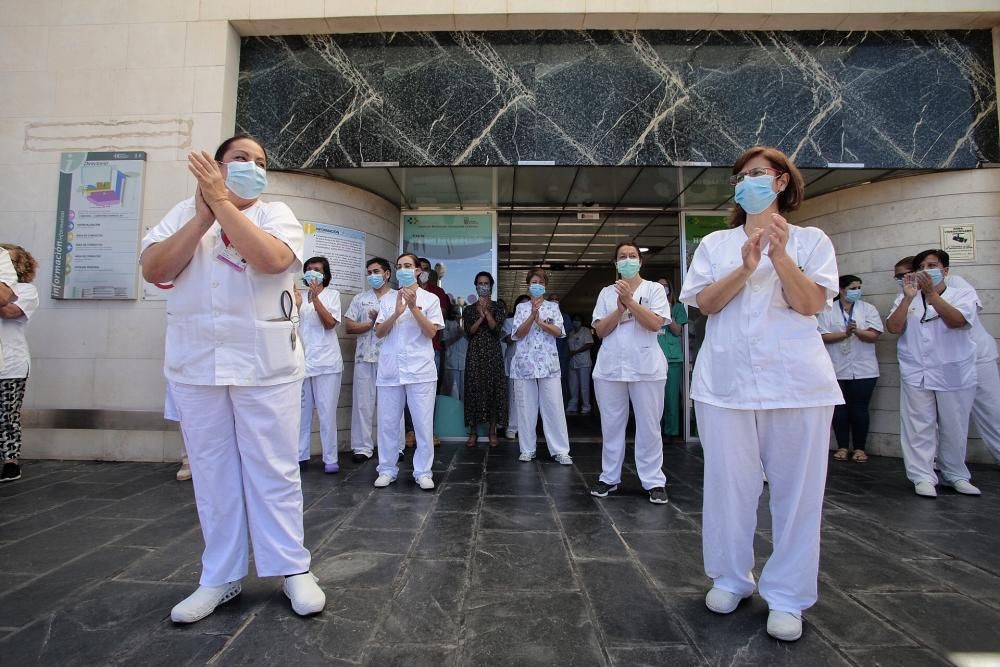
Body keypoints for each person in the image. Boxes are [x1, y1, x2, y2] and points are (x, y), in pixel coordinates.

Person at [140, 135, 325, 623]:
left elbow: (273, 261)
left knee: (274, 468)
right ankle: (219, 576)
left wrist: (222, 205)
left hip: (264, 363)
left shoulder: (275, 214)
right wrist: (203, 215)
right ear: (216, 166)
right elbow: (155, 268)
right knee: (211, 471)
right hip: (197, 363)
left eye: (261, 161)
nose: (252, 167)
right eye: (241, 159)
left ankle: (292, 568)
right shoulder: (181, 214)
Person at [678, 146, 843, 642]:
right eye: (739, 177)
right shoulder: (715, 244)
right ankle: (731, 578)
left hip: (796, 383)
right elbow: (705, 304)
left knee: (797, 495)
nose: (745, 183)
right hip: (725, 383)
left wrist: (779, 256)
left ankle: (788, 596)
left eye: (756, 174)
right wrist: (747, 266)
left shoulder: (812, 240)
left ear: (781, 182)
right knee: (729, 487)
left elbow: (810, 302)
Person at [886, 249, 981, 497]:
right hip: (916, 370)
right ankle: (922, 476)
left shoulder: (963, 294)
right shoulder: (907, 298)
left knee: (954, 426)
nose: (927, 270)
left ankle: (955, 474)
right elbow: (894, 327)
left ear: (945, 270)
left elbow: (958, 321)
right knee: (918, 426)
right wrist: (908, 299)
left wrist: (930, 294)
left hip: (953, 371)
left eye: (932, 265)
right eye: (922, 266)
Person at [589, 243, 671, 504]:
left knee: (649, 427)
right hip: (611, 369)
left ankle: (654, 481)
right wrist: (620, 308)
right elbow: (601, 331)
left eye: (632, 256)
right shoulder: (605, 293)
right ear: (615, 263)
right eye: (622, 257)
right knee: (611, 426)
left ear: (640, 261)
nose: (628, 260)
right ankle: (609, 478)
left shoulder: (654, 289)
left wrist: (629, 302)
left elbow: (655, 323)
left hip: (647, 368)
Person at [373, 253, 444, 490]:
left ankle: (423, 471)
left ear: (417, 271)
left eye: (408, 266)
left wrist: (413, 308)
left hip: (420, 369)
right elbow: (379, 332)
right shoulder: (387, 299)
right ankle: (387, 469)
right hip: (391, 369)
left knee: (423, 424)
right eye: (400, 266)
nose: (404, 269)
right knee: (388, 423)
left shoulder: (430, 299)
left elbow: (431, 332)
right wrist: (396, 312)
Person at [509, 269, 573, 465]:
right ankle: (527, 449)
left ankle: (560, 450)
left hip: (548, 363)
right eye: (533, 281)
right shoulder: (521, 308)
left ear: (544, 285)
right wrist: (531, 317)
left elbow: (559, 331)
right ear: (528, 284)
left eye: (540, 281)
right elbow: (518, 334)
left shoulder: (553, 307)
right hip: (524, 364)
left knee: (553, 406)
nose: (536, 284)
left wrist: (541, 322)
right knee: (525, 407)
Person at [817, 275, 883, 463]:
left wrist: (857, 331)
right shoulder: (827, 310)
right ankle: (843, 446)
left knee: (860, 409)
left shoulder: (867, 309)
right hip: (836, 366)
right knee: (840, 410)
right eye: (853, 287)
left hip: (864, 368)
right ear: (841, 289)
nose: (857, 291)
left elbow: (874, 334)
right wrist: (844, 334)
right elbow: (822, 336)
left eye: (859, 287)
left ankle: (860, 448)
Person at [295, 256, 343, 474]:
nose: (312, 273)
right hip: (302, 363)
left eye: (316, 269)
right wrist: (297, 305)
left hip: (327, 364)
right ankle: (300, 455)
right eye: (309, 269)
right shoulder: (299, 296)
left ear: (324, 274)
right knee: (301, 413)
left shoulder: (332, 295)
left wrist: (316, 300)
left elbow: (330, 324)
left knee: (326, 413)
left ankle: (330, 458)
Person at [344, 258, 394, 463]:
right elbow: (349, 327)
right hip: (364, 357)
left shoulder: (397, 298)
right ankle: (362, 447)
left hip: (389, 359)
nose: (372, 276)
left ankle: (394, 447)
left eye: (376, 271)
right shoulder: (360, 299)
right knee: (362, 404)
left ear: (387, 274)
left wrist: (381, 323)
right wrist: (372, 324)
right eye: (369, 272)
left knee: (391, 405)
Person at [0, 245, 37, 483]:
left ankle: (10, 462)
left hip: (10, 364)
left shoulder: (27, 290)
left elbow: (10, 311)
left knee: (7, 415)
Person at [463, 272, 507, 447]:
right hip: (475, 353)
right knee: (473, 389)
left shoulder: (498, 307)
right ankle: (472, 432)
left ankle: (492, 432)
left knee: (493, 390)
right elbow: (469, 332)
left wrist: (487, 313)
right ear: (476, 286)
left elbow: (496, 330)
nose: (483, 286)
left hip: (493, 354)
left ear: (491, 286)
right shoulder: (468, 309)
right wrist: (480, 316)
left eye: (486, 283)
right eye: (480, 283)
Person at [656, 277, 688, 437]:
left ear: (670, 289)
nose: (663, 289)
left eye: (665, 286)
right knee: (654, 398)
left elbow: (677, 331)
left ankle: (671, 431)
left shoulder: (677, 308)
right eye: (659, 286)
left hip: (672, 358)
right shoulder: (649, 308)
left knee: (671, 397)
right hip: (653, 358)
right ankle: (656, 431)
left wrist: (667, 313)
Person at [502, 294, 529, 440]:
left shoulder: (535, 321)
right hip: (513, 361)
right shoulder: (509, 321)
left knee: (529, 397)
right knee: (513, 396)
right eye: (522, 305)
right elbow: (507, 339)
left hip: (531, 363)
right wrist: (521, 328)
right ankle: (512, 427)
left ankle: (527, 428)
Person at [565, 314, 594, 415]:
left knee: (584, 386)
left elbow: (589, 343)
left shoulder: (585, 331)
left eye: (578, 320)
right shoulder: (571, 333)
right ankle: (573, 405)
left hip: (584, 362)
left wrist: (576, 351)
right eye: (574, 320)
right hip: (572, 362)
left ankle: (586, 406)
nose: (576, 322)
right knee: (573, 385)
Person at [441, 305, 467, 400]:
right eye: (456, 313)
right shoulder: (447, 324)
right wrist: (457, 336)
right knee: (453, 393)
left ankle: (462, 414)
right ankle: (453, 413)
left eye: (459, 314)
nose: (458, 316)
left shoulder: (466, 325)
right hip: (452, 363)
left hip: (464, 363)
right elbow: (445, 343)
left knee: (464, 393)